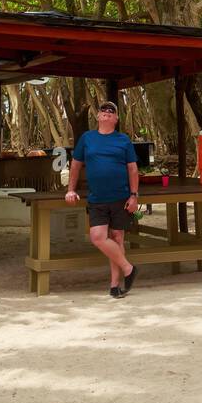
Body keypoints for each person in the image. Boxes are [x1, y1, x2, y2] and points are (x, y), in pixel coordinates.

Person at [65, 101, 139, 298]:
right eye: (103, 111)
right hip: (97, 198)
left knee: (117, 238)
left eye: (111, 111)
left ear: (116, 119)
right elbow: (75, 165)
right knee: (98, 237)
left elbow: (132, 169)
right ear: (97, 117)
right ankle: (129, 268)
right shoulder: (87, 138)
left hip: (120, 197)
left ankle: (115, 286)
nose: (106, 113)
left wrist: (134, 195)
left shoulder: (123, 140)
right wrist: (70, 189)